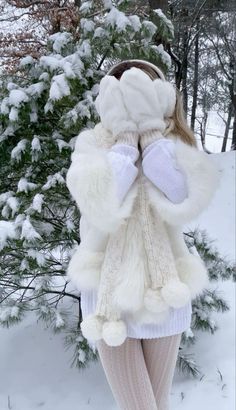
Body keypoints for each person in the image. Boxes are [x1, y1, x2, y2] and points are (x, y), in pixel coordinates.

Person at [66, 59, 220, 410]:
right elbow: (102, 201)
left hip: (163, 293)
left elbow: (180, 192)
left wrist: (149, 135)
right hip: (110, 300)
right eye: (120, 95)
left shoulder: (175, 142)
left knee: (156, 405)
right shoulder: (92, 144)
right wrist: (123, 141)